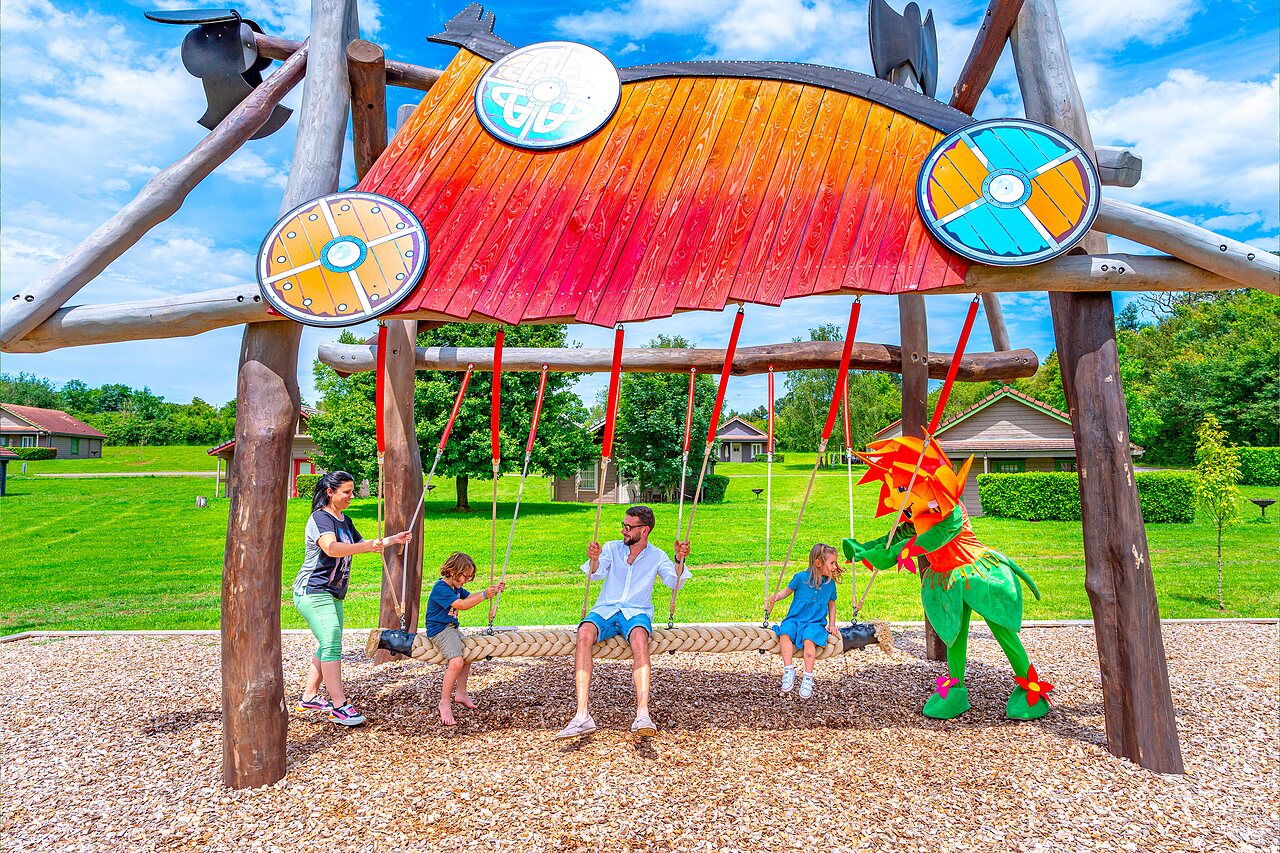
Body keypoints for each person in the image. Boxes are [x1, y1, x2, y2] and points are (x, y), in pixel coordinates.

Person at [556, 506, 691, 739]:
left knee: (640, 638)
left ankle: (642, 714)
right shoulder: (611, 548)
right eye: (623, 526)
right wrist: (595, 559)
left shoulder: (657, 556)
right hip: (606, 609)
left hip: (637, 611)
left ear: (644, 530)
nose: (623, 531)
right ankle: (581, 716)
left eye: (629, 527)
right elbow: (594, 574)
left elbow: (674, 582)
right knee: (584, 633)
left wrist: (679, 559)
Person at [293, 471, 410, 726]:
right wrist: (368, 546)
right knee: (332, 642)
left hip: (333, 593)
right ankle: (339, 706)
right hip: (313, 590)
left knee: (327, 643)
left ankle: (310, 696)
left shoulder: (345, 520)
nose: (351, 496)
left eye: (351, 491)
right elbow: (332, 548)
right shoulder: (320, 519)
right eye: (346, 492)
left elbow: (366, 544)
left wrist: (392, 540)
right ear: (330, 492)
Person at [423, 552, 503, 726]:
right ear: (452, 572)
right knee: (457, 662)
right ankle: (444, 701)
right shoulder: (441, 588)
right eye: (464, 576)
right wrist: (483, 596)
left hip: (451, 628)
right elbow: (462, 605)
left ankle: (461, 693)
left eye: (469, 577)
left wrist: (490, 591)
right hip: (440, 629)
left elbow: (468, 597)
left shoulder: (456, 587)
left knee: (468, 656)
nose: (466, 580)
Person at [767, 542, 842, 700]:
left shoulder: (830, 585)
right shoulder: (800, 578)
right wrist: (776, 598)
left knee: (809, 640)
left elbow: (832, 605)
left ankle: (808, 677)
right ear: (818, 563)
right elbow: (786, 592)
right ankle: (788, 670)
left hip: (815, 623)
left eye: (835, 563)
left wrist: (832, 624)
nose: (835, 567)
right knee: (785, 633)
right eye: (832, 563)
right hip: (795, 619)